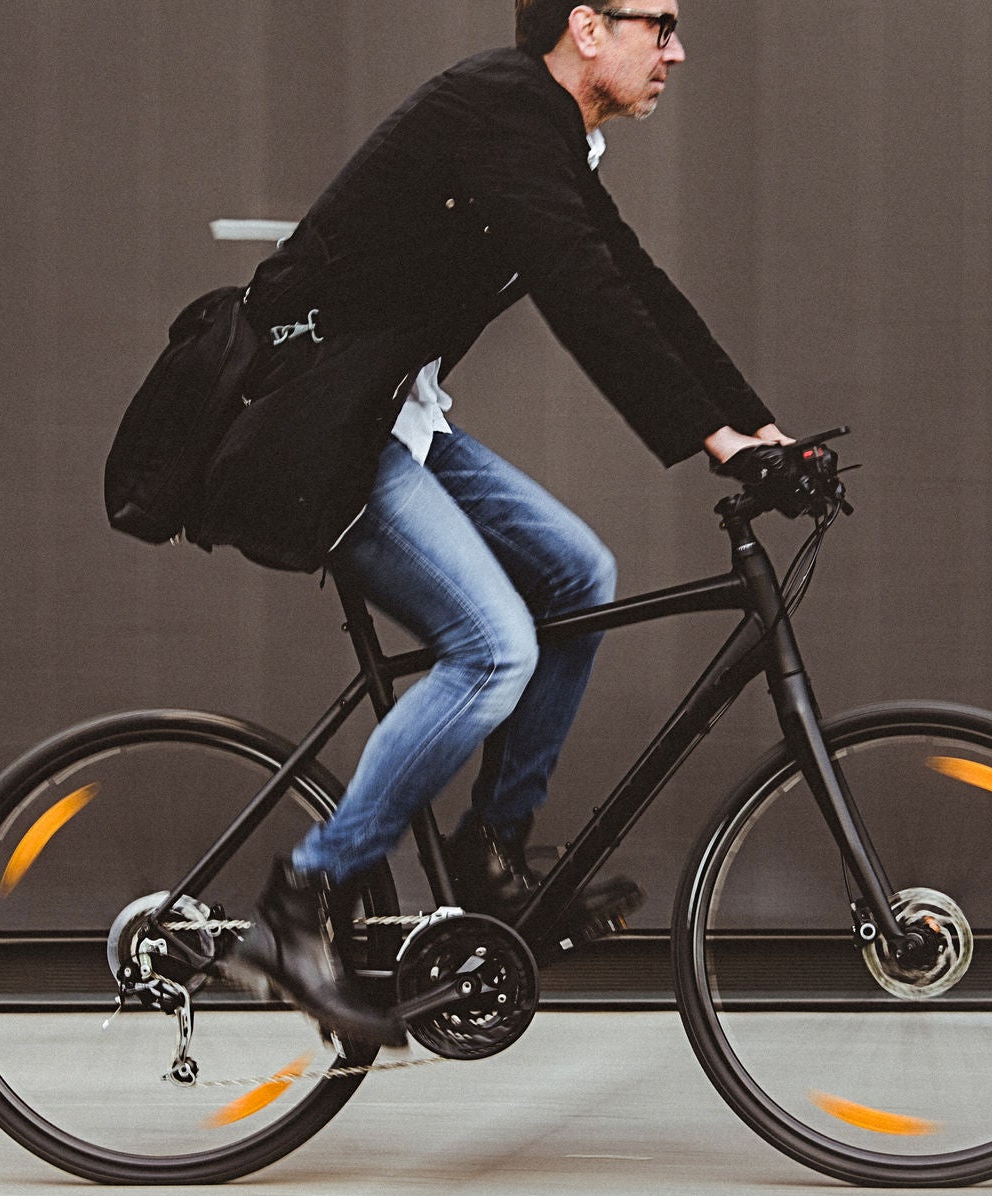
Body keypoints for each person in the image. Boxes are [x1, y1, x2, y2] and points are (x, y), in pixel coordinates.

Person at [215, 0, 791, 1047]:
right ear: (584, 26)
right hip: (322, 429)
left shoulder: (549, 134)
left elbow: (636, 288)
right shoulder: (498, 110)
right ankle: (294, 905)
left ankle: (491, 851)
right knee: (490, 652)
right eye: (655, 24)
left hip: (396, 418)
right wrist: (713, 442)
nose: (674, 48)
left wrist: (759, 431)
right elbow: (582, 298)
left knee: (578, 572)